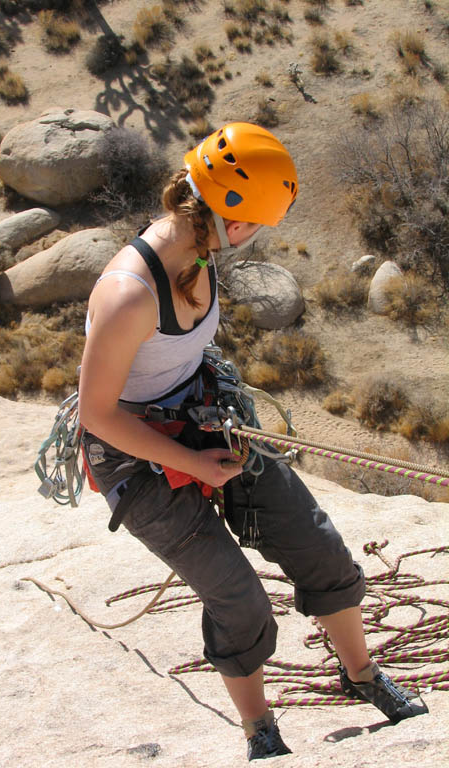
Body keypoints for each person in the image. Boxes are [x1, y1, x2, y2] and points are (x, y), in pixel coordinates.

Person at [78, 123, 425, 761]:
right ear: (235, 224)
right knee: (237, 597)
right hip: (134, 452)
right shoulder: (130, 293)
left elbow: (179, 352)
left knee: (317, 545)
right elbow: (99, 414)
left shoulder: (201, 251)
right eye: (259, 226)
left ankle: (363, 676)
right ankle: (259, 729)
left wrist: (207, 427)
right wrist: (189, 463)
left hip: (200, 414)